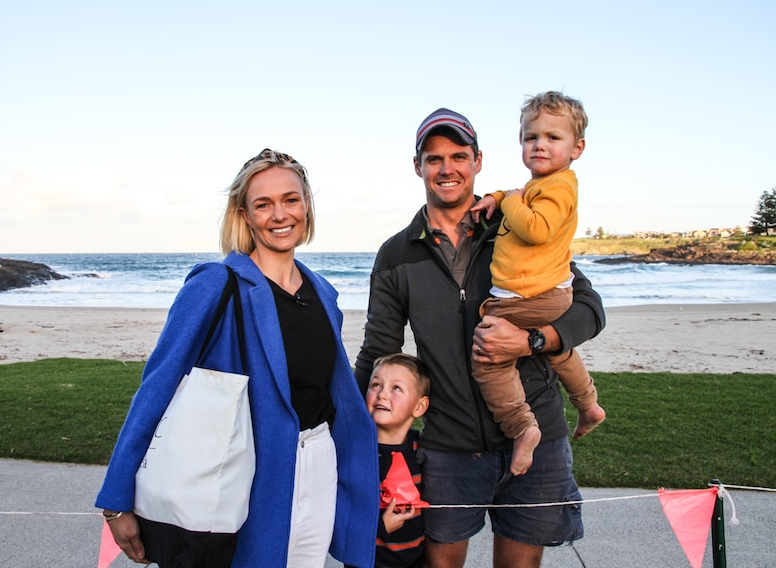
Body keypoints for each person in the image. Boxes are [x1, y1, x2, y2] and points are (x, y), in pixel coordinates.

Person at [96, 148, 379, 568]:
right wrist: (117, 500)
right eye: (263, 204)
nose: (280, 214)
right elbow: (157, 386)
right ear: (245, 215)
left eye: (291, 199)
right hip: (244, 470)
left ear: (306, 206)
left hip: (319, 464)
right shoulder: (215, 285)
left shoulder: (323, 292)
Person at [355, 108, 606, 568]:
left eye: (458, 156)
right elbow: (379, 351)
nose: (446, 168)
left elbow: (588, 309)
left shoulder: (515, 225)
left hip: (536, 437)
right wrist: (349, 426)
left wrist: (531, 341)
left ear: (478, 161)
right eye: (434, 159)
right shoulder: (396, 254)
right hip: (448, 447)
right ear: (418, 167)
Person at [466, 91, 606, 477]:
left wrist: (508, 200)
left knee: (490, 359)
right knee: (558, 351)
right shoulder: (543, 185)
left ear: (577, 148)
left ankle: (522, 426)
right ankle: (588, 402)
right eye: (531, 137)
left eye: (552, 137)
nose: (539, 145)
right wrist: (498, 196)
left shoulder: (559, 187)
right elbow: (519, 195)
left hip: (524, 298)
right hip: (549, 297)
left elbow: (537, 228)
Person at [347, 353, 430, 568]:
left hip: (416, 561)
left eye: (396, 388)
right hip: (366, 562)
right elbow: (343, 515)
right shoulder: (356, 452)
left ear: (419, 407)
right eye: (375, 385)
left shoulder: (423, 449)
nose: (382, 394)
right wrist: (379, 527)